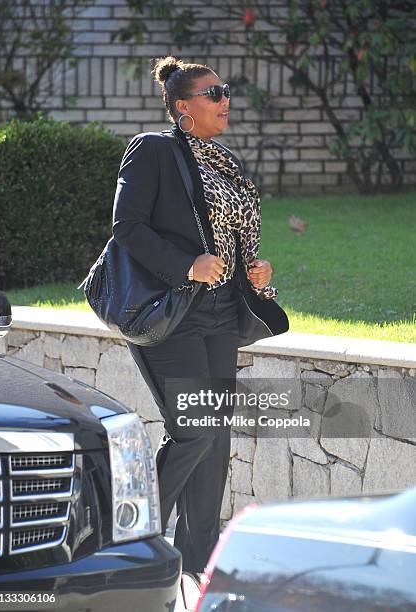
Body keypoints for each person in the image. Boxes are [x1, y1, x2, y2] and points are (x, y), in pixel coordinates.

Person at [111, 55, 288, 608]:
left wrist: (253, 271)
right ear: (183, 106)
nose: (225, 100)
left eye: (225, 91)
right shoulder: (153, 150)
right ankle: (130, 548)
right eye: (214, 93)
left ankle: (197, 570)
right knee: (195, 431)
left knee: (216, 440)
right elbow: (128, 228)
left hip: (219, 314)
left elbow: (234, 237)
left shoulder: (227, 162)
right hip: (173, 312)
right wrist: (187, 265)